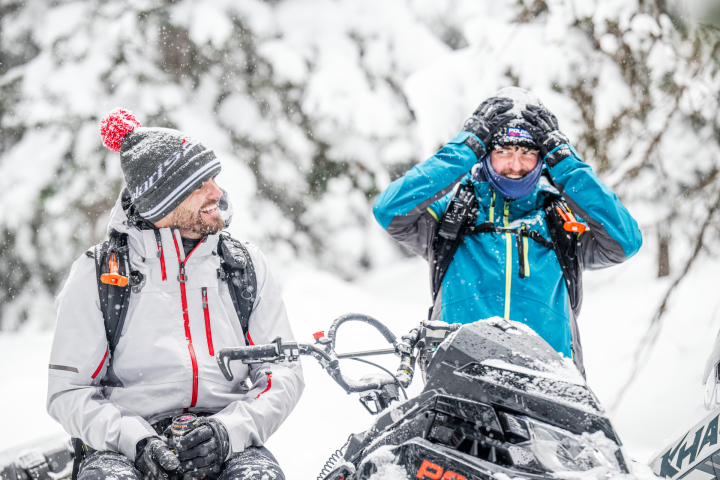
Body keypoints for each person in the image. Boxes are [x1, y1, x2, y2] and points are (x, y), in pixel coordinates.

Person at [46, 108, 303, 480]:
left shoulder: (242, 265)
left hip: (225, 437)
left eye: (214, 178)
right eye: (200, 186)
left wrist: (228, 432)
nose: (217, 193)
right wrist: (135, 441)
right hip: (123, 448)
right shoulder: (99, 274)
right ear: (162, 203)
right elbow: (67, 392)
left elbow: (283, 371)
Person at [373, 87, 642, 374]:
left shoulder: (560, 222)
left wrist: (565, 161)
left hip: (550, 386)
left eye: (528, 152)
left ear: (543, 159)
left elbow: (626, 241)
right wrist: (467, 145)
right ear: (485, 155)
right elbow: (389, 209)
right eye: (503, 151)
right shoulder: (453, 214)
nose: (516, 165)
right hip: (459, 381)